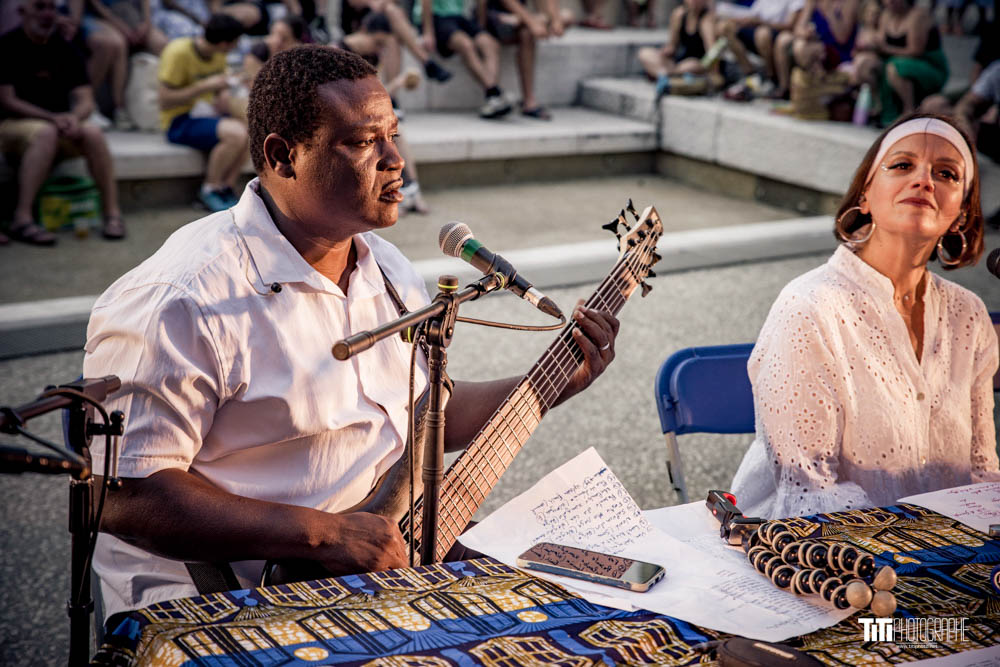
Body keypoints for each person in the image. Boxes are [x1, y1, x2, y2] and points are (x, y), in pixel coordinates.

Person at [82, 44, 619, 621]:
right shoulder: (180, 299)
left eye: (394, 134)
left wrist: (554, 382)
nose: (395, 161)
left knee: (588, 608)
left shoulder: (387, 269)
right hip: (224, 595)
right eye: (364, 142)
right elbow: (123, 495)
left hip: (372, 556)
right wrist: (323, 535)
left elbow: (427, 412)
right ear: (283, 156)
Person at [731, 113, 999, 519]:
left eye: (946, 173)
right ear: (865, 195)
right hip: (818, 559)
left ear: (962, 213)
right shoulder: (809, 307)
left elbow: (981, 475)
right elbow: (809, 494)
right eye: (903, 165)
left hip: (946, 563)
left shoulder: (969, 314)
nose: (924, 180)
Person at [0, 0, 127, 244]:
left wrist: (74, 117)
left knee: (93, 133)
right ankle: (22, 218)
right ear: (22, 11)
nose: (47, 14)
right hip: (13, 127)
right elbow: (7, 101)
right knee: (46, 132)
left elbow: (85, 100)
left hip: (56, 126)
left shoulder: (65, 48)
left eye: (52, 8)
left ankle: (112, 213)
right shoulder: (8, 45)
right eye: (40, 7)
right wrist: (52, 118)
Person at [159, 13, 246, 211]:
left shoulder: (218, 54)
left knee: (252, 130)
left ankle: (226, 188)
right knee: (236, 134)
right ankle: (208, 190)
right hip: (178, 120)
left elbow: (220, 85)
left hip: (206, 114)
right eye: (235, 42)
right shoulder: (178, 52)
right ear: (225, 43)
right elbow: (164, 101)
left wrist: (223, 92)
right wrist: (203, 87)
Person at [856, 0, 947, 126]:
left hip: (928, 65)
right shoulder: (886, 15)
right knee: (866, 65)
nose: (889, 2)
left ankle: (908, 111)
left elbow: (915, 51)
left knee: (894, 68)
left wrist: (885, 48)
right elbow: (881, 44)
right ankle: (879, 109)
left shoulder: (917, 16)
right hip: (894, 60)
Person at [477, 0, 572, 120]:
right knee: (528, 30)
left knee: (566, 16)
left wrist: (555, 20)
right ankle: (525, 101)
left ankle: (528, 102)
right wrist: (531, 22)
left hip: (517, 19)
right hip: (493, 16)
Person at [416, 0, 512, 118]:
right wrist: (428, 32)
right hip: (436, 17)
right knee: (465, 45)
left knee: (489, 44)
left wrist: (480, 28)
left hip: (458, 16)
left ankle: (493, 98)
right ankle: (495, 93)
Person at [637, 0, 716, 98]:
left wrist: (713, 72)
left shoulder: (706, 19)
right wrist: (665, 52)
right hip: (680, 62)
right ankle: (666, 76)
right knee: (645, 53)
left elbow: (712, 53)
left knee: (688, 66)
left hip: (697, 62)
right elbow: (672, 46)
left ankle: (664, 76)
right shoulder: (679, 14)